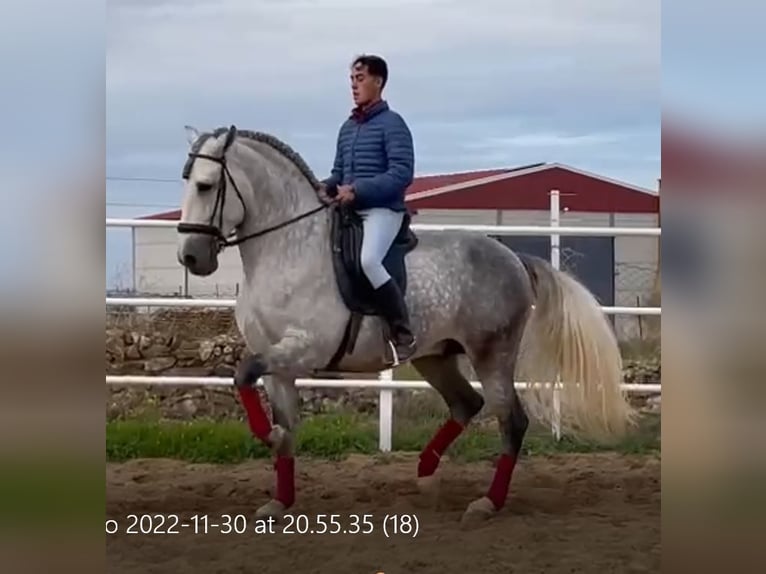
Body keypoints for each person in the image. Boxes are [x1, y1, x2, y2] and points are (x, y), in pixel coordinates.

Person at [318, 54, 417, 363]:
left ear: (379, 82)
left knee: (370, 261)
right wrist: (325, 186)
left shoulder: (393, 124)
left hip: (382, 210)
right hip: (349, 211)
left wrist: (358, 191)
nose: (354, 86)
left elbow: (402, 173)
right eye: (352, 80)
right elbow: (339, 172)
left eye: (360, 80)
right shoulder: (347, 127)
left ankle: (403, 331)